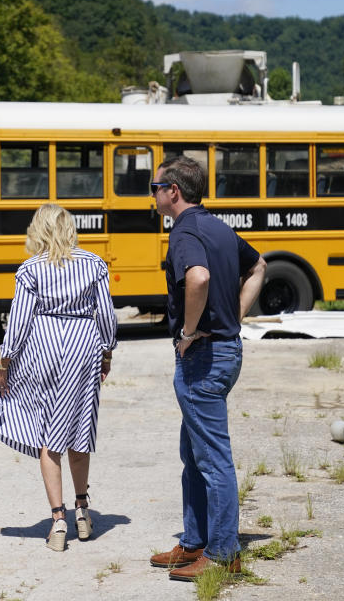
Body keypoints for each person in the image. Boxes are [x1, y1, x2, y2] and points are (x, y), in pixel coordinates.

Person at [147, 156, 266, 582]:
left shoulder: (184, 232)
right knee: (193, 453)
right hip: (224, 350)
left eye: (155, 186)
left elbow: (197, 279)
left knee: (212, 459)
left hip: (204, 356)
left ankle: (222, 554)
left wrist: (189, 332)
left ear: (173, 191)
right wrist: (234, 315)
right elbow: (259, 267)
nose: (153, 193)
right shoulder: (216, 225)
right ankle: (195, 541)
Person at [0, 203, 117, 552]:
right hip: (83, 349)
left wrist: (4, 364)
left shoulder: (30, 269)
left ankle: (58, 521)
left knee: (48, 433)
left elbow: (18, 324)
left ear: (38, 230)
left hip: (42, 350)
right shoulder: (94, 264)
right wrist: (106, 352)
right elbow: (106, 316)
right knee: (79, 429)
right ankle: (83, 511)